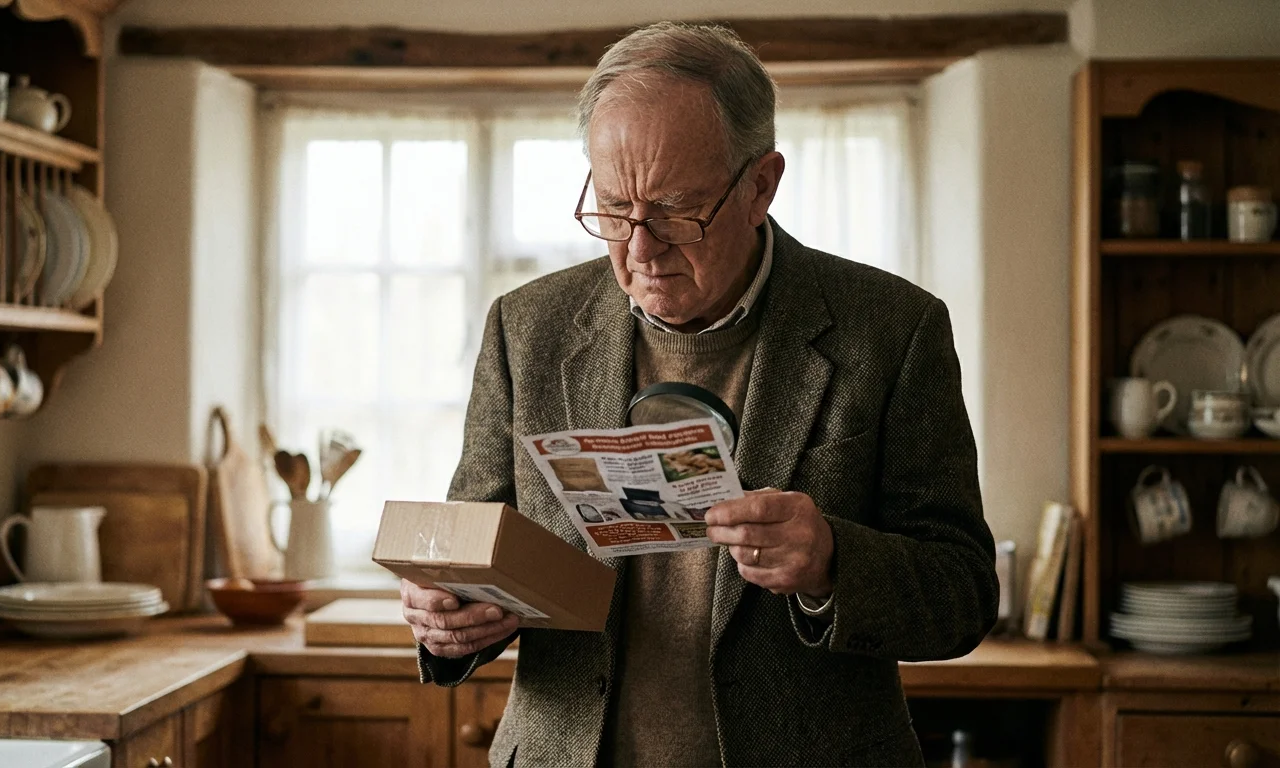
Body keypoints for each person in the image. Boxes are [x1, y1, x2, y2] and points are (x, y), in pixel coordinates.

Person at [399, 21, 998, 768]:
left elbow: (963, 595)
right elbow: (477, 547)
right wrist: (450, 618)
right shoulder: (526, 328)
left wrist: (833, 562)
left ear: (761, 185)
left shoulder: (892, 330)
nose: (641, 249)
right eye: (614, 209)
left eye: (677, 210)